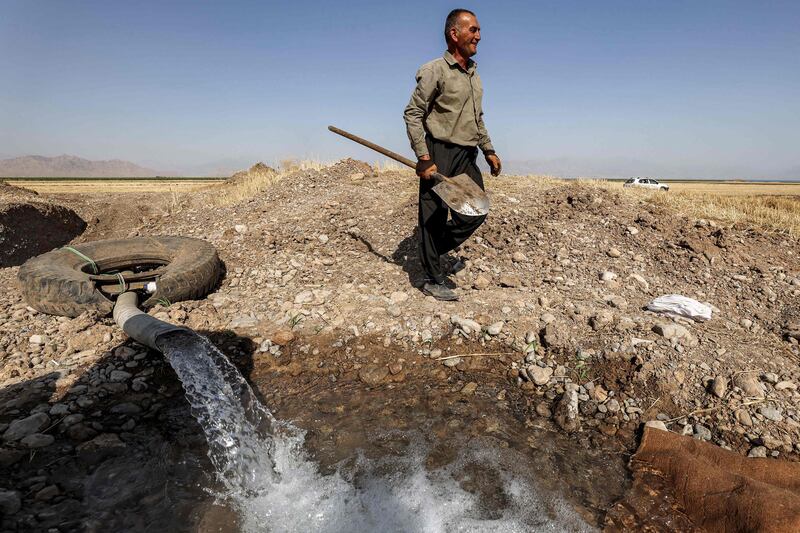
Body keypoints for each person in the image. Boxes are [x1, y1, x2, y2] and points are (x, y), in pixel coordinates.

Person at [404, 8, 501, 301]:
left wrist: (489, 149)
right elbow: (413, 113)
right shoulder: (435, 70)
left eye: (479, 30)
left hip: (466, 154)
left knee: (475, 211)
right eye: (473, 30)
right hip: (439, 152)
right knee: (433, 217)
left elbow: (477, 117)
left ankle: (428, 249)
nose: (479, 36)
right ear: (454, 34)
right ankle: (431, 276)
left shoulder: (474, 74)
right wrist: (423, 156)